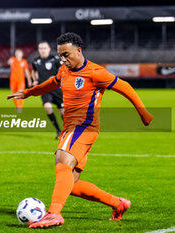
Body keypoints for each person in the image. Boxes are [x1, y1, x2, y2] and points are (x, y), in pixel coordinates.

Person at [8, 32, 153, 228]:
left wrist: (143, 113)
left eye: (66, 54)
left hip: (83, 126)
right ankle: (117, 203)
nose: (63, 59)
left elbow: (124, 86)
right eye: (60, 55)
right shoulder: (64, 69)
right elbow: (53, 82)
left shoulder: (95, 72)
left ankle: (54, 213)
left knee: (62, 161)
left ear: (78, 51)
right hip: (73, 127)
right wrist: (28, 93)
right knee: (71, 184)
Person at [32, 41, 64, 139]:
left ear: (49, 49)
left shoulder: (55, 59)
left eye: (44, 48)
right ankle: (58, 130)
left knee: (63, 112)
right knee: (47, 107)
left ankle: (67, 131)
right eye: (41, 48)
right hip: (45, 89)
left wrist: (58, 79)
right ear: (38, 50)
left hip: (57, 89)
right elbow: (33, 71)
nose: (43, 50)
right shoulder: (35, 61)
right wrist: (35, 80)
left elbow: (63, 70)